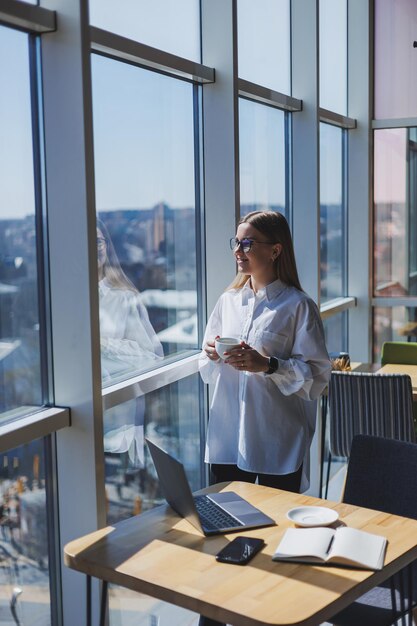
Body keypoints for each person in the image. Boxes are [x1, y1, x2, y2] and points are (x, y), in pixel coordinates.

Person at [199, 210, 331, 494]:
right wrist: (209, 352)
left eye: (247, 243)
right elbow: (207, 366)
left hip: (277, 442)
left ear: (275, 250)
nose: (237, 250)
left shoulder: (298, 306)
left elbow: (317, 378)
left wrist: (269, 365)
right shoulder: (228, 301)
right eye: (235, 242)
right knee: (226, 524)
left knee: (279, 529)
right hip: (228, 437)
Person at [97, 219, 163, 469]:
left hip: (117, 432)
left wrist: (101, 345)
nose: (93, 248)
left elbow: (152, 356)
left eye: (98, 241)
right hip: (77, 429)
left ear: (107, 246)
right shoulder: (64, 301)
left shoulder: (123, 297)